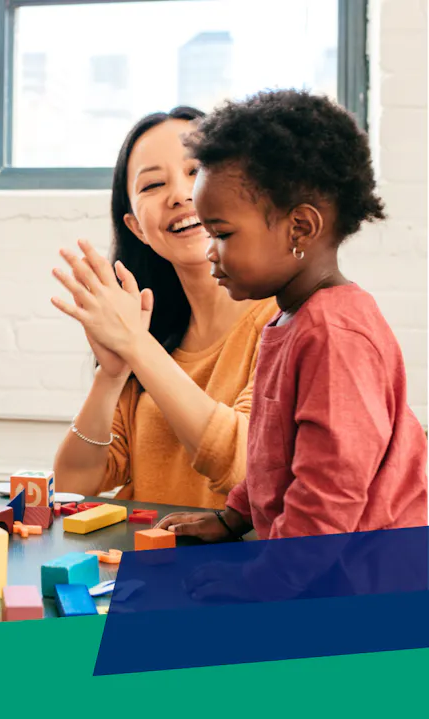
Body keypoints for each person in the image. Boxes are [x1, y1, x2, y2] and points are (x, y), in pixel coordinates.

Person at [155, 90, 427, 542]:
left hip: (365, 572)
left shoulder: (335, 335)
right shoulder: (291, 319)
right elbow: (274, 456)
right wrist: (233, 517)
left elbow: (328, 498)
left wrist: (261, 576)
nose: (209, 252)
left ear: (300, 228)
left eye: (222, 234)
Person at [53, 107, 276, 509]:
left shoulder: (282, 322)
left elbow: (245, 467)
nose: (180, 195)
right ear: (136, 228)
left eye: (197, 171)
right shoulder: (151, 333)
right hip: (147, 551)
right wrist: (111, 376)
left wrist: (136, 345)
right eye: (153, 184)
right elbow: (73, 484)